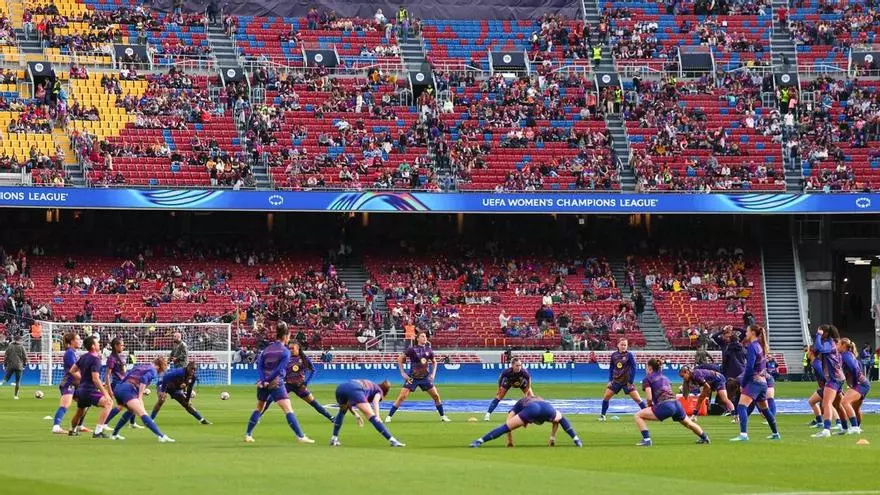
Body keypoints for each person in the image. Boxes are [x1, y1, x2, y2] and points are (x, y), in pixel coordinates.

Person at [244, 322, 314, 443]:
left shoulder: (267, 349)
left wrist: (263, 379)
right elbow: (279, 370)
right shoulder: (285, 352)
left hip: (263, 383)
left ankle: (248, 435)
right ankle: (300, 436)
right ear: (286, 336)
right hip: (276, 383)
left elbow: (259, 365)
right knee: (288, 409)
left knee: (259, 408)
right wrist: (268, 380)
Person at [634, 358, 710, 446]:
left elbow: (649, 397)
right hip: (677, 404)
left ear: (650, 368)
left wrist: (650, 406)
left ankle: (647, 440)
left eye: (647, 368)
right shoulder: (666, 378)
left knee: (638, 415)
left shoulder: (647, 379)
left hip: (666, 405)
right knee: (688, 423)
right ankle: (705, 437)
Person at [385, 332, 450, 423]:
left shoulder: (429, 350)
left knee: (436, 396)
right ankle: (389, 416)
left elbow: (434, 362)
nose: (425, 338)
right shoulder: (412, 349)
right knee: (402, 396)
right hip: (413, 378)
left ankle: (443, 416)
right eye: (422, 336)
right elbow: (400, 359)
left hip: (425, 378)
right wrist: (403, 373)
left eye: (425, 336)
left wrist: (433, 374)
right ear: (418, 339)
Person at [730, 325, 780, 442]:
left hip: (754, 382)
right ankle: (775, 433)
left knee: (741, 407)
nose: (746, 333)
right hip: (763, 383)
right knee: (765, 410)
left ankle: (743, 434)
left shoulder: (752, 346)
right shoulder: (760, 345)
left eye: (747, 331)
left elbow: (749, 367)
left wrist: (743, 383)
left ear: (752, 332)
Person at [260, 341, 333, 422]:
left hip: (299, 386)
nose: (290, 350)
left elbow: (313, 370)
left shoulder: (304, 358)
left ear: (297, 348)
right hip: (287, 385)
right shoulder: (286, 358)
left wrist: (306, 382)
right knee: (270, 399)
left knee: (314, 403)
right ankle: (259, 416)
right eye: (289, 348)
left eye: (292, 348)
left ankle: (331, 418)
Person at [471, 396, 582, 448]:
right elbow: (556, 421)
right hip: (546, 408)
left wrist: (510, 440)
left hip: (532, 409)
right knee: (561, 418)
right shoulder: (539, 398)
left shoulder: (520, 403)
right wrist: (552, 438)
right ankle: (577, 440)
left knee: (505, 427)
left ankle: (479, 441)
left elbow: (508, 421)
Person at [108, 356, 175, 443]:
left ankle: (114, 434)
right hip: (127, 389)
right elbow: (144, 379)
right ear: (159, 366)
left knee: (131, 411)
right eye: (163, 368)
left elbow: (128, 375)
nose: (161, 371)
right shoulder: (153, 370)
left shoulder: (142, 366)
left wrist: (122, 388)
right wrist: (140, 397)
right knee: (142, 413)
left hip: (120, 388)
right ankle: (161, 436)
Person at [331, 379, 404, 447]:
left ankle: (334, 439)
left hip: (341, 388)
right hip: (355, 389)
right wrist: (377, 416)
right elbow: (376, 401)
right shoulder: (379, 391)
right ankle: (393, 441)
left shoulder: (371, 384)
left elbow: (347, 404)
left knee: (342, 411)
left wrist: (356, 414)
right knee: (372, 417)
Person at [67, 336, 114, 438]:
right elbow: (95, 379)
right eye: (97, 343)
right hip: (90, 390)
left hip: (81, 390)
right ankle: (98, 432)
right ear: (93, 346)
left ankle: (72, 430)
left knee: (80, 411)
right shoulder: (95, 359)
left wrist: (83, 378)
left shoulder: (83, 357)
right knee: (109, 403)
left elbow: (72, 371)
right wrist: (106, 393)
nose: (99, 345)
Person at [812, 324, 846, 438]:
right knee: (837, 404)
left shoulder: (829, 343)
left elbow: (820, 348)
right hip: (838, 377)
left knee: (826, 403)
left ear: (825, 333)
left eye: (821, 332)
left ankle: (826, 430)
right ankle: (845, 427)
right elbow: (817, 348)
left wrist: (818, 335)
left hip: (833, 378)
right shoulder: (832, 342)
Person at [599, 339, 646, 421]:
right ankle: (603, 416)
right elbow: (611, 368)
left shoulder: (629, 355)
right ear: (618, 345)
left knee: (638, 399)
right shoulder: (614, 355)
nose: (623, 346)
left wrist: (630, 381)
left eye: (625, 345)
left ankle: (647, 415)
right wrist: (610, 380)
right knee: (606, 397)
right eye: (622, 345)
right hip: (616, 381)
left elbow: (634, 368)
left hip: (627, 382)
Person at [103, 338, 142, 429]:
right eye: (121, 345)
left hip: (124, 383)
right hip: (117, 384)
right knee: (123, 405)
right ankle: (104, 423)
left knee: (132, 403)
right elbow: (107, 375)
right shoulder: (111, 359)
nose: (123, 347)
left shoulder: (121, 357)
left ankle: (132, 423)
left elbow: (124, 372)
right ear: (115, 346)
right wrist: (109, 389)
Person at [51, 333, 81, 434]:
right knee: (65, 405)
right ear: (72, 341)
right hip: (69, 383)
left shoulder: (74, 352)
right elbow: (74, 371)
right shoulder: (69, 353)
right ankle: (56, 427)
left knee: (85, 403)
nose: (79, 340)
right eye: (77, 339)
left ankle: (79, 425)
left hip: (75, 384)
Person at [840, 338, 870, 434]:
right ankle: (857, 427)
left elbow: (853, 368)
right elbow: (858, 366)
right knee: (855, 408)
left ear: (843, 346)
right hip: (863, 384)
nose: (836, 346)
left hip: (859, 384)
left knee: (845, 402)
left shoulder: (845, 355)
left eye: (838, 344)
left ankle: (855, 427)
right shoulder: (850, 355)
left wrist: (855, 381)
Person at [0, 334, 26, 399]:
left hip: (10, 365)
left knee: (6, 378)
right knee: (18, 381)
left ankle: (1, 382)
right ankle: (15, 396)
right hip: (18, 365)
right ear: (19, 340)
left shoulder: (9, 346)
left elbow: (6, 356)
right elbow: (25, 357)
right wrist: (24, 364)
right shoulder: (21, 347)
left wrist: (5, 364)